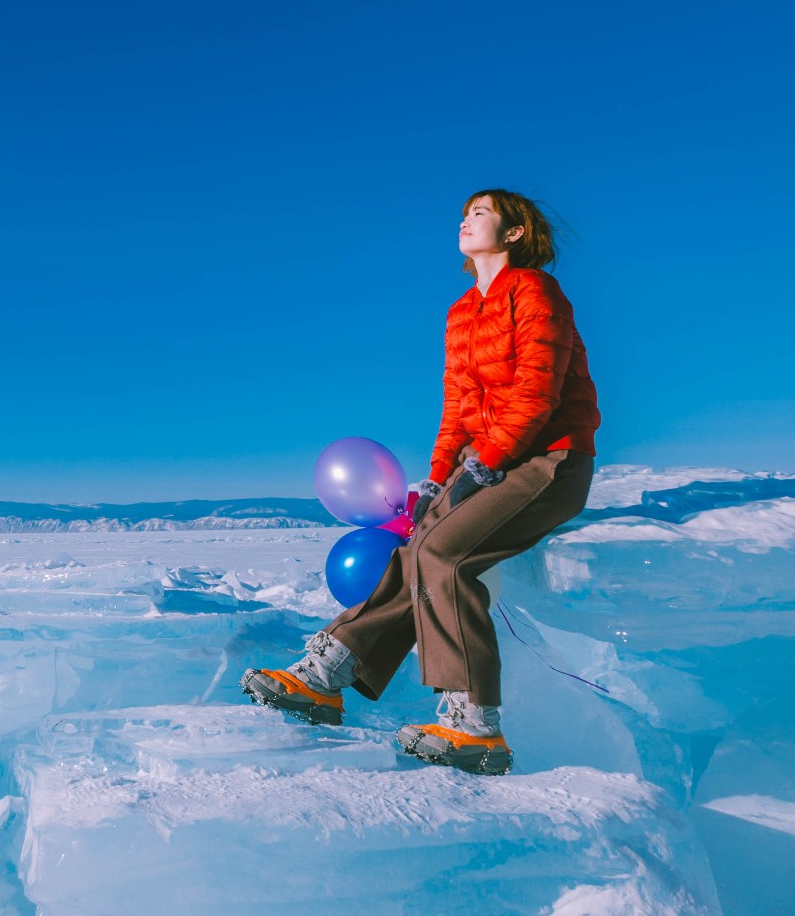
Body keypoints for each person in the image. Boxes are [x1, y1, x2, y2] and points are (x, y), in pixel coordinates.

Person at [240, 189, 600, 775]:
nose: (466, 220)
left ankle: (474, 722)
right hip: (487, 459)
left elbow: (538, 392)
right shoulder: (461, 312)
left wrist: (484, 464)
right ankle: (328, 673)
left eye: (480, 213)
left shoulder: (534, 291)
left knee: (443, 555)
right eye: (464, 213)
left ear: (514, 233)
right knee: (413, 552)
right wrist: (438, 479)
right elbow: (456, 406)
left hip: (548, 460)